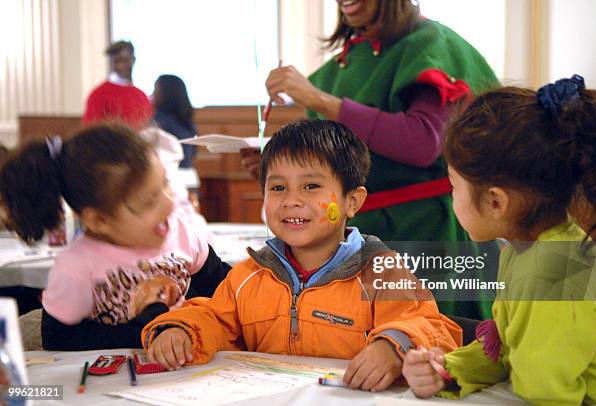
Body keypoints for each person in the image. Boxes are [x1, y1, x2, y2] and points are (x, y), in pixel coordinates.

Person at [142, 119, 462, 392]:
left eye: (310, 186)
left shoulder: (381, 271)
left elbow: (432, 326)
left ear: (352, 201)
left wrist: (394, 347)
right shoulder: (249, 274)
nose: (291, 201)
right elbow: (214, 317)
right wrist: (181, 330)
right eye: (278, 188)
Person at [250, 0, 500, 319]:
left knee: (428, 344)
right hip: (358, 233)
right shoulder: (345, 63)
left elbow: (422, 143)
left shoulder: (431, 44)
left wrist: (319, 100)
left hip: (427, 232)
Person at [402, 76, 596, 404]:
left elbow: (545, 393)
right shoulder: (526, 249)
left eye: (454, 186)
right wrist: (450, 370)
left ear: (496, 202)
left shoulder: (553, 272)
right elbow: (507, 348)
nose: (451, 196)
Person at [0, 124, 229, 351]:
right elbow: (59, 339)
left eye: (165, 184)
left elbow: (223, 286)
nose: (169, 203)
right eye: (147, 202)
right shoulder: (76, 267)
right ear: (100, 221)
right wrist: (144, 329)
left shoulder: (178, 231)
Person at [82, 41, 152, 129]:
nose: (121, 65)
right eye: (117, 61)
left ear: (133, 60)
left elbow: (148, 128)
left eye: (125, 60)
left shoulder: (141, 96)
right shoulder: (99, 94)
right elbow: (90, 131)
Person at [152, 74, 197, 169]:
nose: (152, 95)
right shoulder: (187, 120)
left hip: (167, 173)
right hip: (187, 172)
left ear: (166, 93)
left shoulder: (158, 119)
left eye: (155, 90)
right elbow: (192, 153)